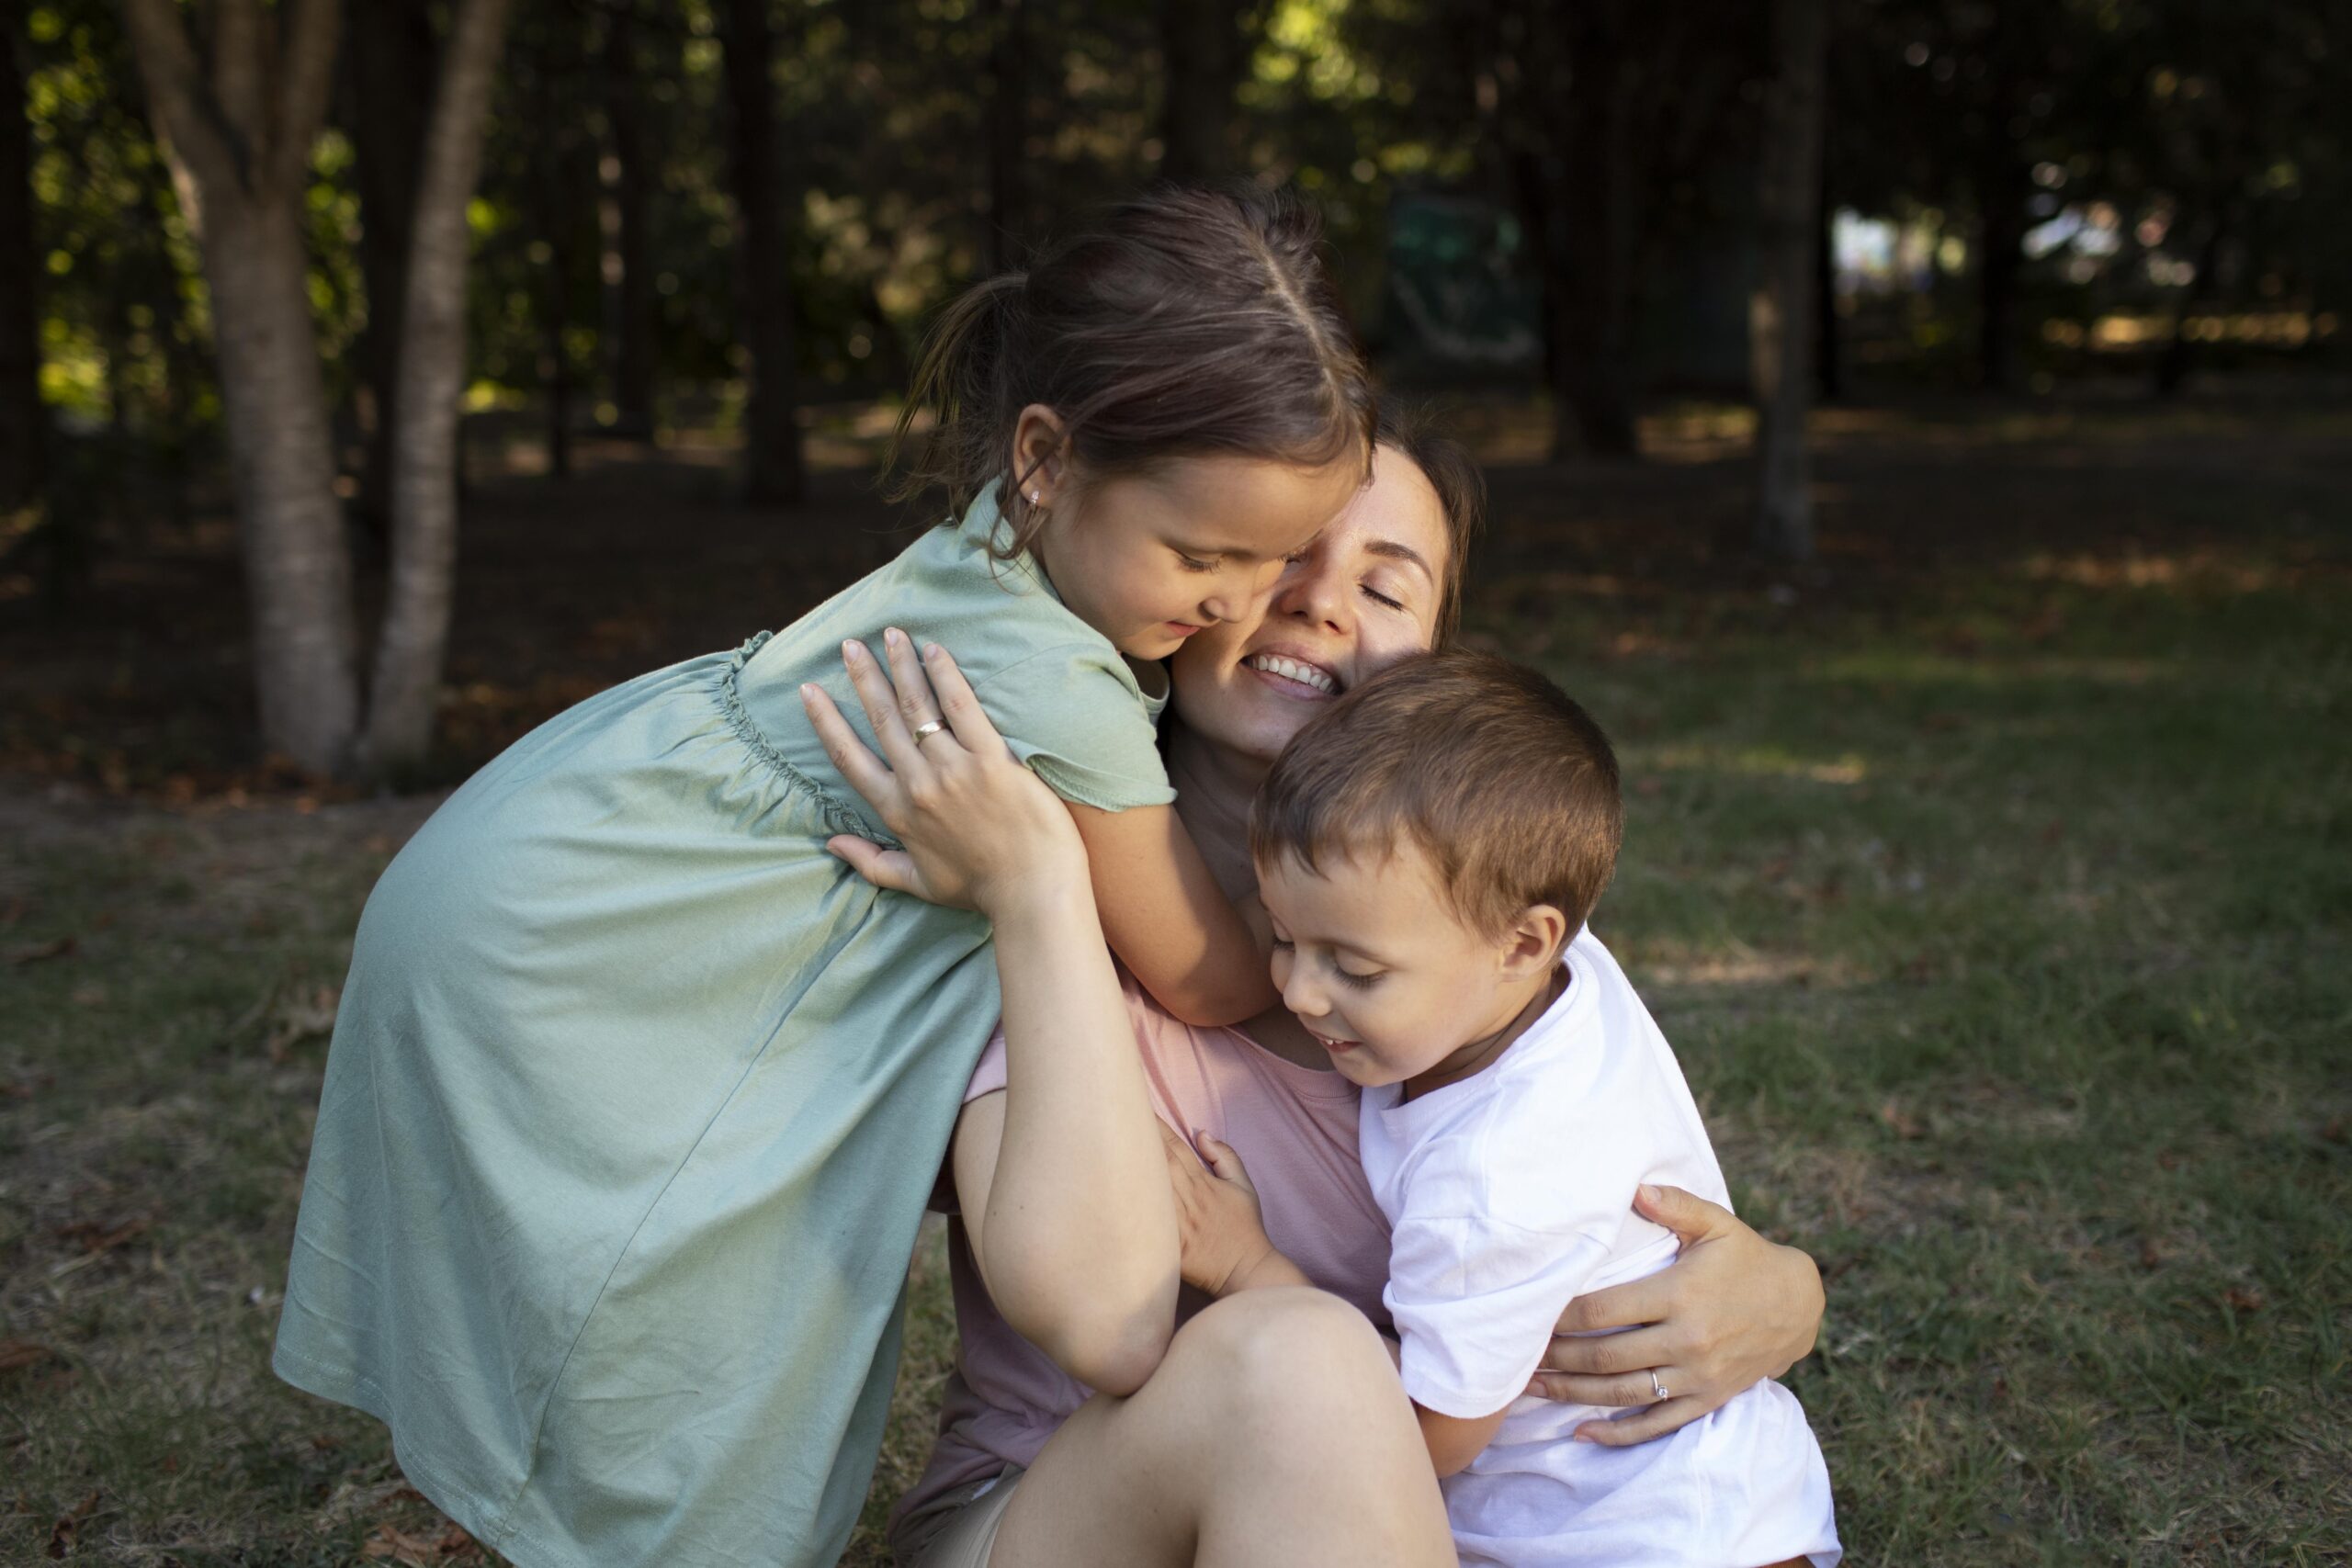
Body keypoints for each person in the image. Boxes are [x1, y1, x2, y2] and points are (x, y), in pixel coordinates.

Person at [269, 186, 1375, 1568]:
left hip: (548, 859)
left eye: (1273, 563)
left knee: (622, 1266)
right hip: (589, 938)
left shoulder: (1000, 557)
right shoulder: (1056, 680)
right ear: (1045, 456)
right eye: (1203, 554)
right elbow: (1205, 973)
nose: (1236, 601)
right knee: (660, 1269)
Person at [800, 422, 1827, 1568]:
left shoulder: (1485, 962)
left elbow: (1608, 1214)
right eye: (1283, 554)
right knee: (1298, 1363)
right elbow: (1104, 1320)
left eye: (1386, 588)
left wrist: (1784, 1292)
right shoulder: (1027, 894)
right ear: (1187, 579)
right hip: (1053, 1518)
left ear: (1436, 658)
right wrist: (1038, 891)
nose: (1321, 605)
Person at [1248, 651, 1841, 1567]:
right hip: (1713, 1500)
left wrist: (1250, 1269)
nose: (1300, 991)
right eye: (1282, 938)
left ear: (1523, 940)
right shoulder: (1547, 970)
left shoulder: (1494, 1178)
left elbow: (1420, 1439)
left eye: (1354, 969)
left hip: (1643, 1539)